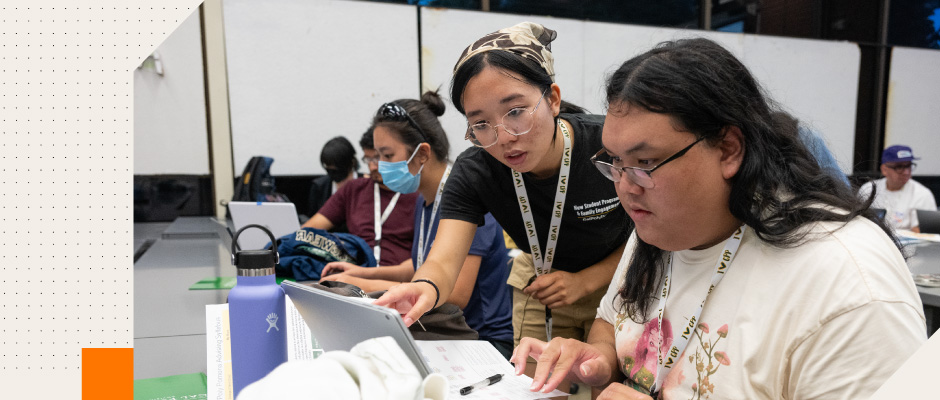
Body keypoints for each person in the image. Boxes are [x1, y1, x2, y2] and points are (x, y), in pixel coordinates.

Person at [511, 38, 926, 399]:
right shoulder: (659, 225)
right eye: (616, 163)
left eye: (645, 162)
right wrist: (599, 358)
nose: (624, 186)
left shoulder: (846, 283)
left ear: (728, 149)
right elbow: (611, 318)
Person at [376, 21, 632, 384]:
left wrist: (585, 281)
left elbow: (650, 237)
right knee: (534, 387)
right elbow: (444, 261)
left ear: (553, 99)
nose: (504, 137)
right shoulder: (476, 170)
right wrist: (424, 287)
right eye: (480, 123)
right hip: (539, 283)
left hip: (617, 282)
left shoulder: (608, 145)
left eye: (515, 111)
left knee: (602, 384)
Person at [320, 91, 514, 357]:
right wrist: (363, 273)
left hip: (481, 340)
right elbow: (422, 264)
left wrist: (359, 286)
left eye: (387, 156)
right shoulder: (424, 200)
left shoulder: (470, 202)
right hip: (440, 328)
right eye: (375, 157)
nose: (378, 166)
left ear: (422, 154)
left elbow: (455, 294)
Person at [302, 132, 419, 266]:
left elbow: (424, 260)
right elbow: (307, 231)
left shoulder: (417, 194)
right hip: (354, 273)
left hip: (398, 280)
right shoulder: (353, 190)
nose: (372, 167)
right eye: (368, 160)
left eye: (377, 158)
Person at [858, 145, 937, 232]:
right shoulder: (869, 189)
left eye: (909, 166)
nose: (906, 172)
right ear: (884, 169)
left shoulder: (922, 194)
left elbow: (923, 231)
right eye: (899, 167)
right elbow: (857, 220)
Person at [307, 136, 361, 217]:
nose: (333, 174)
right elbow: (311, 219)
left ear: (351, 163)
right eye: (329, 169)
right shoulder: (320, 187)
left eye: (337, 169)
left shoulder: (367, 183)